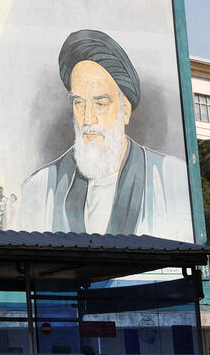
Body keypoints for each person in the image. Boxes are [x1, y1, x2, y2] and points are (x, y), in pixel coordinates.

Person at [20, 29, 188, 235]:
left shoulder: (173, 180)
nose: (88, 118)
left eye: (100, 103)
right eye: (79, 102)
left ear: (125, 110)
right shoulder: (40, 187)